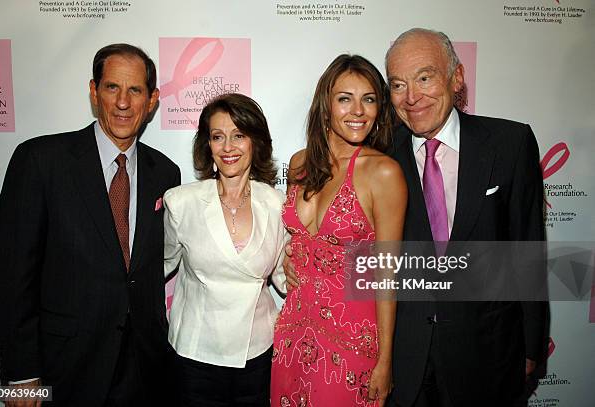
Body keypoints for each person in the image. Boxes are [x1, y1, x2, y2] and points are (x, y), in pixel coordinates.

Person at [0, 43, 181, 406]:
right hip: (64, 370)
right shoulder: (40, 161)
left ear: (153, 100)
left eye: (135, 90)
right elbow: (16, 276)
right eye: (112, 87)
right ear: (94, 91)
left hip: (145, 371)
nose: (123, 102)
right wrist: (20, 375)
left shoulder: (166, 173)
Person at [383, 28, 548, 406]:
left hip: (490, 355)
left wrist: (532, 346)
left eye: (425, 77)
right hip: (406, 362)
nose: (412, 97)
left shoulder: (510, 143)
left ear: (456, 77)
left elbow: (528, 249)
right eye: (397, 84)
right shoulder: (379, 155)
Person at [270, 54, 407, 407]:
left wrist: (385, 360)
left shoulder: (383, 172)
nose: (358, 111)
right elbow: (299, 239)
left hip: (351, 340)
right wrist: (292, 260)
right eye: (345, 98)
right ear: (326, 106)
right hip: (292, 331)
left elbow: (386, 275)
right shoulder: (301, 163)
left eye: (370, 99)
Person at [163, 93, 287, 406]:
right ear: (208, 145)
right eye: (218, 137)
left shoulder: (277, 204)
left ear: (255, 142)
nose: (228, 147)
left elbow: (287, 278)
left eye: (239, 136)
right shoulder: (181, 203)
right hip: (195, 354)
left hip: (257, 353)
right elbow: (159, 267)